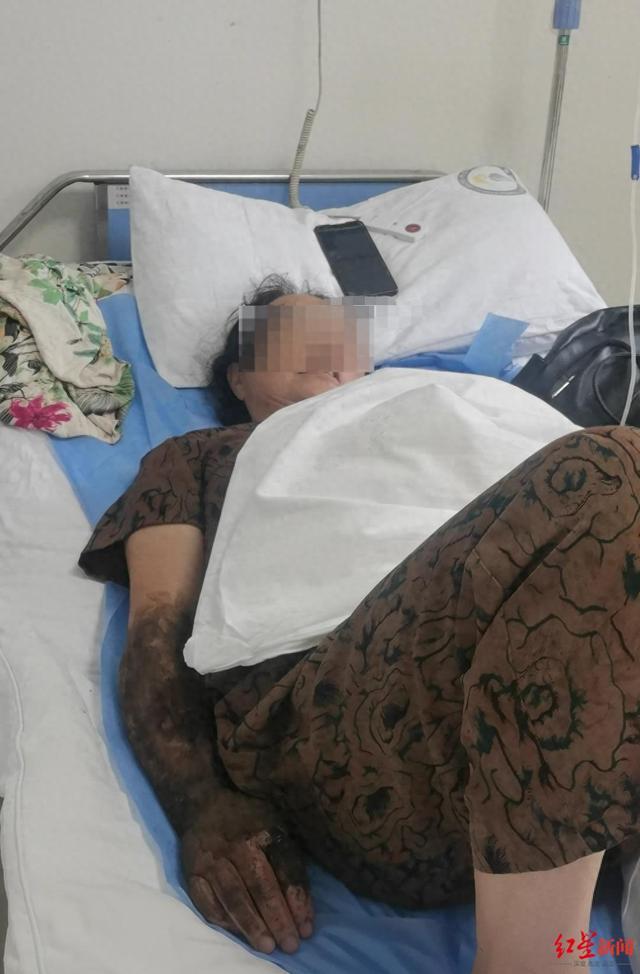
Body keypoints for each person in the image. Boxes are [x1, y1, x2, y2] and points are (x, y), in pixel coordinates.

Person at [79, 274, 640, 974]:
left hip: (575, 712)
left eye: (338, 331)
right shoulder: (198, 455)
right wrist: (201, 802)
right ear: (239, 377)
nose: (324, 343)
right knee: (613, 468)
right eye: (289, 332)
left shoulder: (455, 399)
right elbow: (156, 622)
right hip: (354, 718)